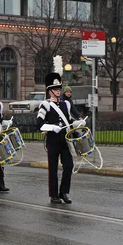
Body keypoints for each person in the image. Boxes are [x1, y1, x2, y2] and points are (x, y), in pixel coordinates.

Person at [37, 59, 84, 204]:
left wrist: (78, 123)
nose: (58, 91)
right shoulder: (45, 105)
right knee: (53, 168)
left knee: (68, 165)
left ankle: (64, 192)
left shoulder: (65, 104)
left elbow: (68, 121)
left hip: (64, 140)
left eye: (59, 89)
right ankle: (54, 195)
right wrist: (51, 127)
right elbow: (39, 124)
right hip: (52, 140)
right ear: (50, 91)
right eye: (56, 89)